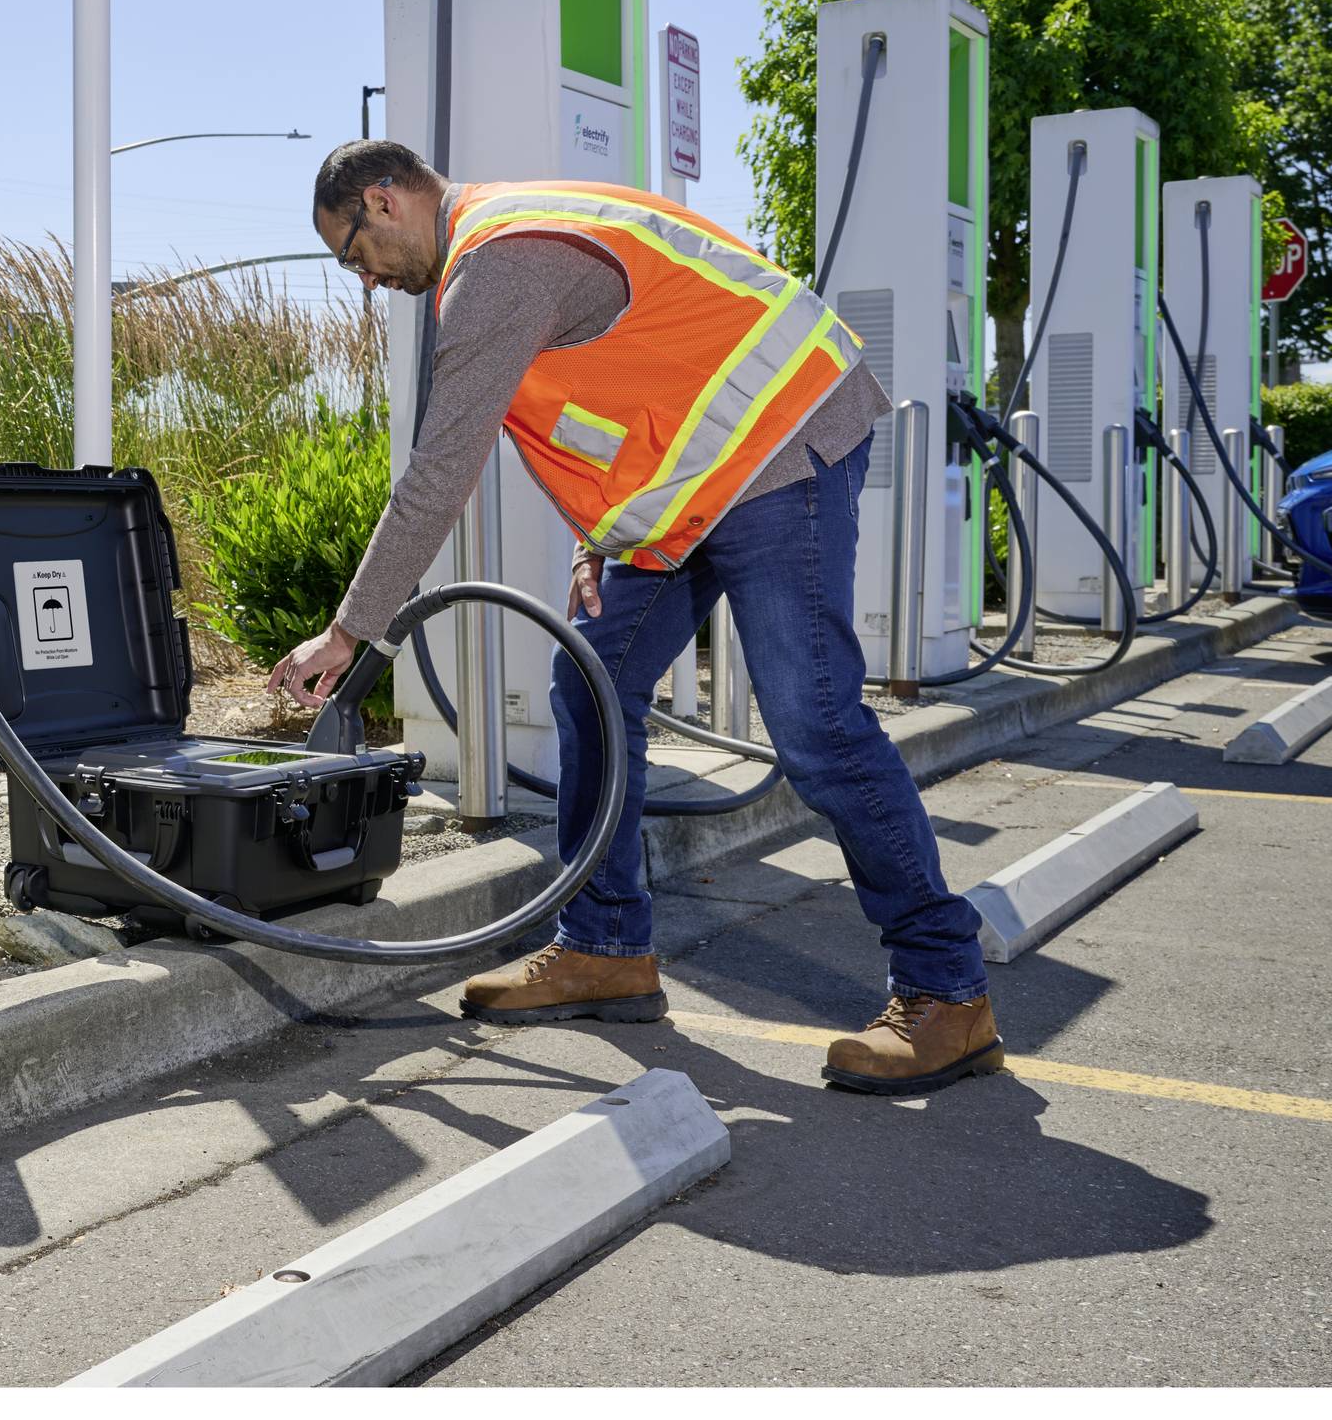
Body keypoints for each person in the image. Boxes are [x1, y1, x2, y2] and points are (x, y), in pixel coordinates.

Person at [267, 140, 1003, 1096]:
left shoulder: (492, 266)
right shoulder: (503, 240)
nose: (362, 279)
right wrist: (601, 538)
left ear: (385, 200)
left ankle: (948, 991)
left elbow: (440, 473)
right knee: (590, 684)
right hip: (702, 490)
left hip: (779, 453)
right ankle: (606, 945)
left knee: (815, 724)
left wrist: (352, 629)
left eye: (351, 252)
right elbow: (636, 387)